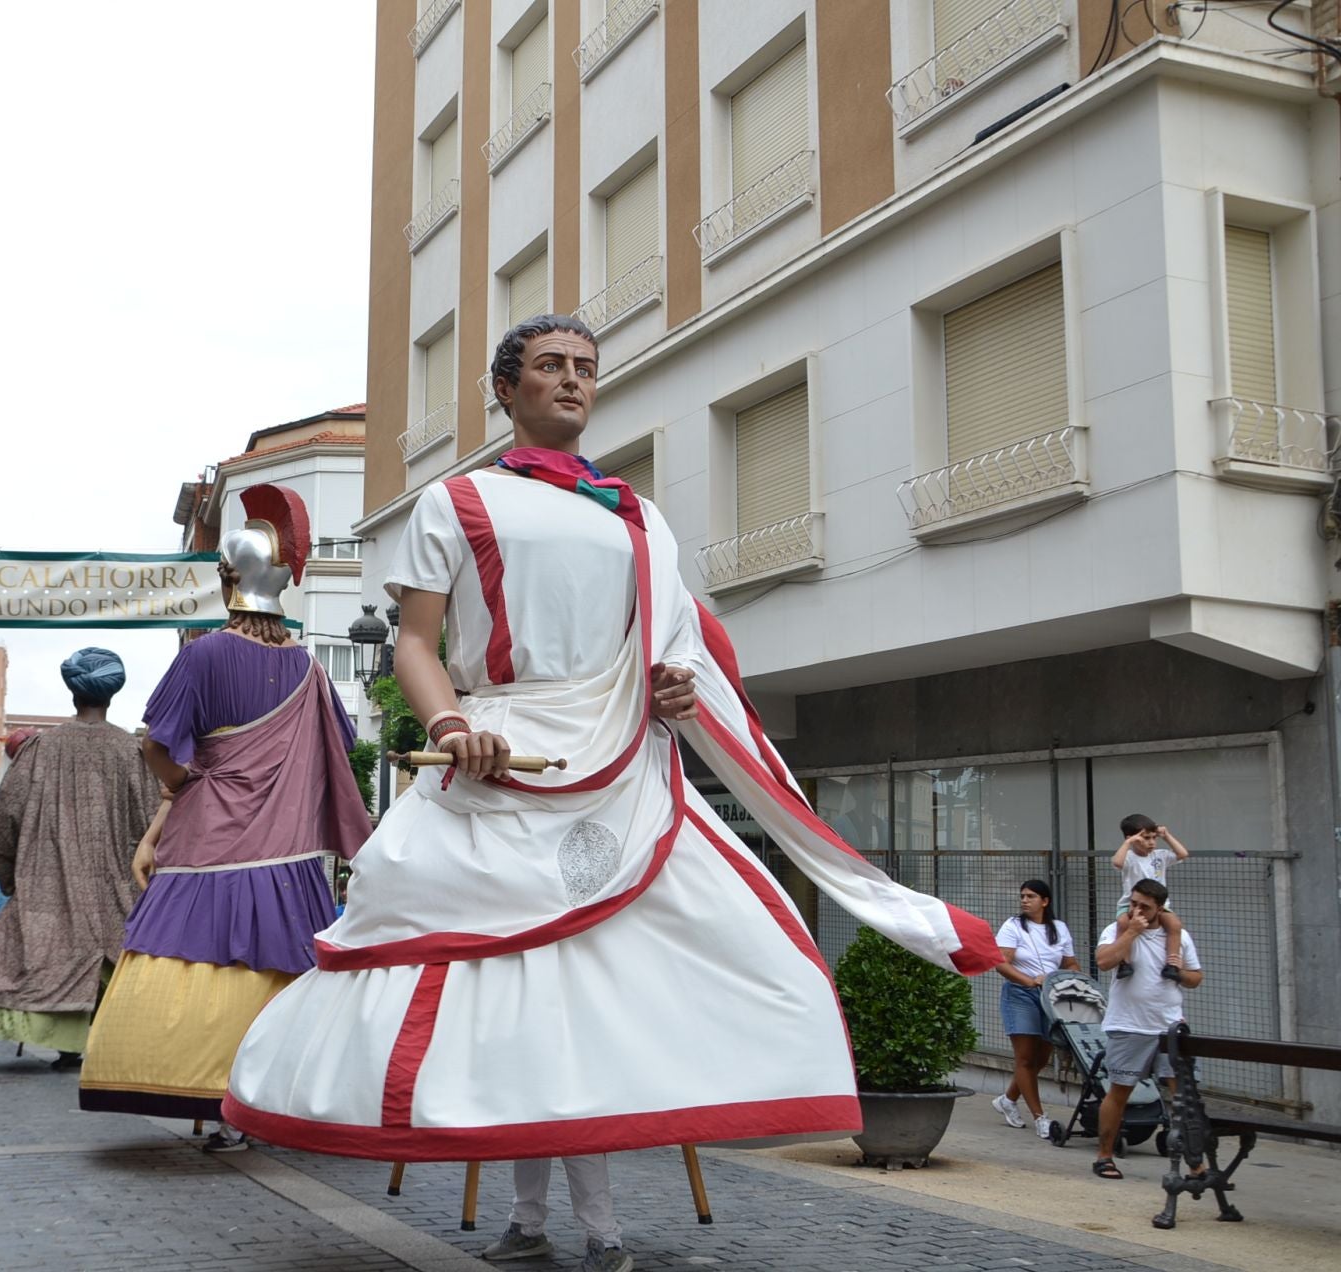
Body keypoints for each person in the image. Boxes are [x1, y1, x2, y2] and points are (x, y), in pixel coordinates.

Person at [221, 316, 998, 1271]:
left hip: (623, 774)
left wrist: (676, 686)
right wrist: (454, 729)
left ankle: (599, 1227)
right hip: (499, 759)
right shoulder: (455, 500)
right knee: (518, 999)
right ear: (504, 391)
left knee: (600, 998)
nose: (574, 381)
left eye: (586, 368)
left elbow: (671, 650)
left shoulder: (640, 516)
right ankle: (539, 1218)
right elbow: (417, 644)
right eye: (550, 366)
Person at [79, 486, 371, 1150]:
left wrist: (182, 786)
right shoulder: (310, 671)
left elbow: (156, 743)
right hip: (287, 856)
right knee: (278, 968)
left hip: (206, 838)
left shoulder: (204, 654)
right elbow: (337, 760)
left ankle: (200, 1099)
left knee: (190, 957)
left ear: (228, 579)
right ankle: (275, 1100)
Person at [0, 653, 154, 1071]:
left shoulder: (39, 750)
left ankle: (68, 1045)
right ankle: (108, 1043)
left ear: (72, 691)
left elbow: (4, 819)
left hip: (50, 887)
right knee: (111, 964)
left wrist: (11, 879)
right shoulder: (131, 752)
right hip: (117, 889)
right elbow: (153, 820)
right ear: (112, 695)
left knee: (56, 954)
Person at [1091, 879, 1203, 1180]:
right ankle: (1105, 1156)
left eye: (1145, 907)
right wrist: (1131, 932)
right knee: (1119, 1090)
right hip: (1128, 1024)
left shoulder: (1177, 936)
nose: (1137, 910)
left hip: (1169, 1025)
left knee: (1183, 1094)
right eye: (1134, 903)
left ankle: (1195, 1164)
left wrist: (1178, 973)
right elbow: (1103, 962)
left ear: (1160, 909)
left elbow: (1195, 977)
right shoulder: (1118, 929)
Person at [992, 879, 1079, 1138]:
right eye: (1023, 896)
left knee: (1042, 1058)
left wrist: (1063, 977)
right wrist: (1029, 981)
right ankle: (1040, 1116)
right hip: (1020, 994)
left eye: (1031, 896)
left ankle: (1008, 1100)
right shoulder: (1013, 926)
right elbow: (1000, 963)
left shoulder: (1059, 928)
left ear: (1045, 901)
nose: (1025, 900)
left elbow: (1072, 963)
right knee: (1026, 1057)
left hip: (1050, 997)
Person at [1110, 815, 1187, 981]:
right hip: (1131, 904)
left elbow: (1182, 854)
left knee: (1174, 924)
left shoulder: (1159, 856)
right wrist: (1128, 843)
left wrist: (1166, 836)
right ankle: (1124, 961)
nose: (1151, 842)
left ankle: (1172, 963)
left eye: (1154, 838)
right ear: (1132, 838)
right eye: (1145, 838)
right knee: (1123, 923)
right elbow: (1117, 863)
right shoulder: (1129, 858)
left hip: (1159, 904)